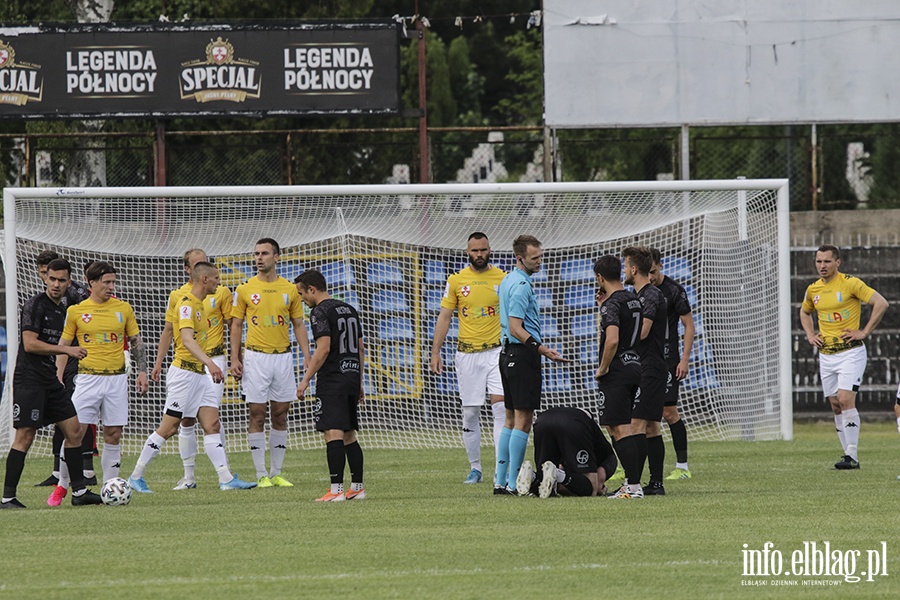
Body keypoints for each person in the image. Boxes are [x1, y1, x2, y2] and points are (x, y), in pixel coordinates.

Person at [129, 262, 256, 492]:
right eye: (216, 278)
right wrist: (210, 363)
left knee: (211, 423)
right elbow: (187, 339)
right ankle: (136, 476)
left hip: (199, 374)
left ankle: (226, 478)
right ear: (204, 279)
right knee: (169, 428)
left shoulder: (199, 303)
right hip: (185, 374)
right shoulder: (186, 304)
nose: (219, 282)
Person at [1, 259, 101, 508]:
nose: (56, 284)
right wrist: (66, 350)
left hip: (49, 380)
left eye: (61, 280)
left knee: (75, 430)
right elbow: (30, 344)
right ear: (45, 278)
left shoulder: (67, 306)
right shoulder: (35, 305)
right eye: (52, 279)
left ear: (69, 282)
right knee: (25, 436)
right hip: (29, 380)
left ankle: (79, 492)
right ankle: (7, 497)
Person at [52, 261, 150, 505]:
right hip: (87, 379)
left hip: (116, 379)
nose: (111, 286)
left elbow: (136, 341)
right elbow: (63, 347)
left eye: (112, 282)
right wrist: (58, 376)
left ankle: (110, 490)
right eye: (106, 282)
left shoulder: (123, 308)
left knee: (113, 434)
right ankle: (62, 485)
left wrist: (142, 371)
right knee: (74, 433)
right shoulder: (76, 311)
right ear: (91, 283)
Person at [800, 244, 888, 470]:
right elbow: (805, 311)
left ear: (837, 262)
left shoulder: (851, 283)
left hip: (851, 352)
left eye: (827, 261)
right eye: (819, 262)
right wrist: (810, 334)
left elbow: (881, 303)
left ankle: (852, 455)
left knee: (845, 399)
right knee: (835, 404)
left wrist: (864, 331)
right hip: (826, 355)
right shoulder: (814, 289)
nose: (822, 266)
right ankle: (847, 454)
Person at [230, 238, 310, 488]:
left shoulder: (289, 289)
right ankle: (260, 473)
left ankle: (276, 472)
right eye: (256, 253)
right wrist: (235, 357)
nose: (259, 257)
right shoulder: (243, 289)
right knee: (256, 412)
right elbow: (236, 324)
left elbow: (298, 324)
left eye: (264, 253)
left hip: (283, 357)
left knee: (281, 413)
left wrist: (307, 356)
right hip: (255, 357)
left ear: (277, 257)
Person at [151, 248, 233, 490]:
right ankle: (189, 477)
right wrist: (158, 362)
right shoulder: (178, 296)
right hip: (188, 363)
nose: (205, 270)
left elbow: (233, 324)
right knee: (185, 420)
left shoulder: (221, 292)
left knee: (212, 419)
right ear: (189, 270)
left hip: (214, 359)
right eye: (198, 264)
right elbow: (168, 330)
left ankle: (225, 475)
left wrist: (236, 357)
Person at [430, 232, 506, 485]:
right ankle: (475, 468)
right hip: (467, 354)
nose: (480, 255)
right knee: (471, 413)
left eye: (483, 250)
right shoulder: (456, 280)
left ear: (490, 250)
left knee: (500, 409)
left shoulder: (503, 278)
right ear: (467, 252)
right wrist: (435, 351)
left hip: (496, 351)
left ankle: (500, 468)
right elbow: (444, 316)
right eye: (475, 251)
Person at [495, 234, 568, 496]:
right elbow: (516, 327)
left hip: (506, 355)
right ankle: (514, 483)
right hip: (522, 355)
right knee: (523, 421)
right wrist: (542, 349)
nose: (540, 261)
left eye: (540, 256)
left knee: (510, 419)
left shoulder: (507, 279)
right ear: (520, 258)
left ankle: (499, 480)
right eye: (534, 258)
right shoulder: (522, 285)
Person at [295, 269, 366, 502]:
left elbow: (323, 348)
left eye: (302, 293)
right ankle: (356, 488)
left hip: (333, 377)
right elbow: (360, 347)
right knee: (348, 435)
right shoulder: (350, 309)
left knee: (332, 432)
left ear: (312, 289)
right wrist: (360, 381)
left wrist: (305, 380)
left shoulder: (320, 311)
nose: (302, 299)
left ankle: (335, 491)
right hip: (351, 375)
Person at [34, 251, 97, 488]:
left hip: (76, 358)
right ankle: (58, 471)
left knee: (75, 412)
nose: (49, 280)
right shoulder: (45, 299)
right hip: (60, 356)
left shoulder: (75, 295)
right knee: (62, 412)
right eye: (44, 275)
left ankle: (87, 469)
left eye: (50, 275)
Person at [593, 255, 645, 499]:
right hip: (634, 364)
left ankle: (633, 487)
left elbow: (612, 339)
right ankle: (631, 484)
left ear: (600, 278)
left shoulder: (611, 304)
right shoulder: (633, 299)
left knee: (619, 428)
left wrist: (603, 368)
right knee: (624, 427)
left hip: (618, 370)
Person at [620, 246, 669, 496]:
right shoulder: (636, 295)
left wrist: (618, 343)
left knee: (637, 423)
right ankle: (656, 485)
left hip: (651, 367)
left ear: (634, 269)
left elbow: (644, 331)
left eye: (626, 266)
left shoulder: (650, 295)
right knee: (651, 426)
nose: (624, 271)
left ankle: (632, 484)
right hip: (644, 366)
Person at [648, 248, 696, 481]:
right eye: (647, 272)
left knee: (668, 411)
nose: (650, 276)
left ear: (660, 265)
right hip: (645, 360)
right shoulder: (640, 290)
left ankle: (683, 466)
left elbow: (689, 325)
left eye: (654, 271)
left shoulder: (674, 291)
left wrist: (684, 359)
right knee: (641, 416)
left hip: (668, 360)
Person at [516, 406, 617, 498]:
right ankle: (557, 474)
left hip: (542, 420)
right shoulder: (609, 460)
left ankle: (533, 477)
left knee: (546, 484)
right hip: (574, 423)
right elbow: (595, 486)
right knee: (590, 489)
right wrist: (599, 489)